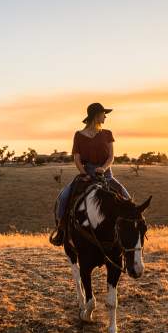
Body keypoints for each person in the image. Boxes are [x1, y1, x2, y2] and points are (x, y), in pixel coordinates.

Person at [49, 102, 131, 246]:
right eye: (103, 114)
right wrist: (84, 173)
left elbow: (111, 157)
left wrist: (103, 169)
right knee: (63, 197)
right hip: (87, 173)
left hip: (106, 174)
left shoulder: (107, 133)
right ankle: (61, 231)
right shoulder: (79, 135)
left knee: (128, 199)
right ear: (96, 115)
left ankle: (132, 234)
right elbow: (77, 159)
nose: (105, 117)